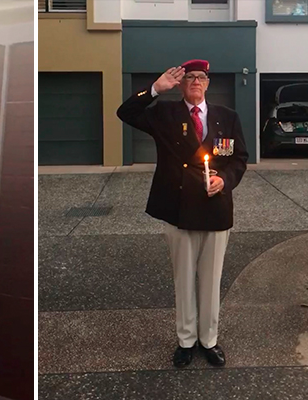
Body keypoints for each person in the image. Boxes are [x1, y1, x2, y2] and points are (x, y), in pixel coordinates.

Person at [116, 60, 248, 368]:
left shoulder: (227, 118)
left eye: (201, 77)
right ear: (181, 84)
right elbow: (126, 113)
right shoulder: (165, 114)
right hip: (178, 209)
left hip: (216, 209)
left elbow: (239, 158)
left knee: (211, 279)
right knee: (184, 279)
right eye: (189, 78)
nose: (196, 82)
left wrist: (224, 181)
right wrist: (154, 89)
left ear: (208, 83)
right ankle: (186, 340)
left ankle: (209, 340)